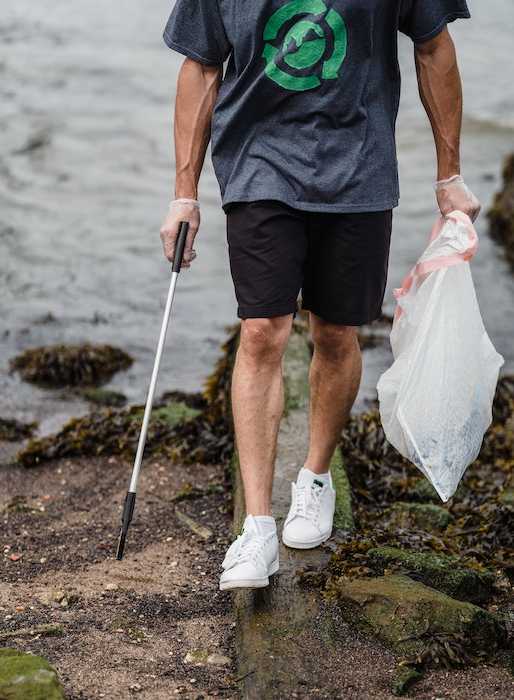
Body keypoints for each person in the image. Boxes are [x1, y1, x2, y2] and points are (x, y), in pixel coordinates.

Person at [159, 0, 481, 591]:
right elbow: (201, 66)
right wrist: (185, 193)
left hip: (359, 167)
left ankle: (314, 478)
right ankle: (257, 527)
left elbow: (433, 44)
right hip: (258, 165)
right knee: (262, 331)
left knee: (335, 331)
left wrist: (449, 174)